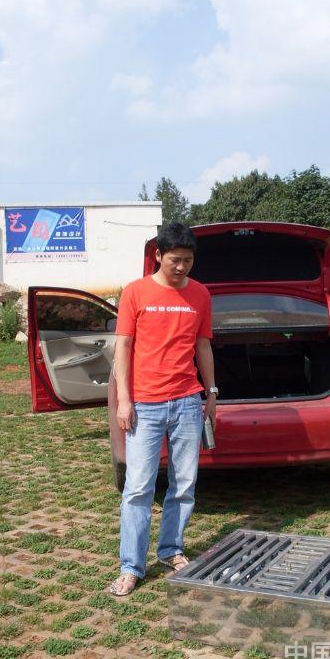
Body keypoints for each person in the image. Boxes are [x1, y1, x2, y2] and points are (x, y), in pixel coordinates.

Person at [109, 222, 217, 596]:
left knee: (184, 484)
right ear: (158, 255)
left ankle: (171, 549)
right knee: (138, 488)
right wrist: (124, 399)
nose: (181, 267)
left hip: (187, 401)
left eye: (188, 260)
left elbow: (203, 346)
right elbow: (123, 347)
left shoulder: (200, 294)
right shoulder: (135, 292)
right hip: (145, 405)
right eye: (175, 260)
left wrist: (211, 393)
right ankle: (131, 567)